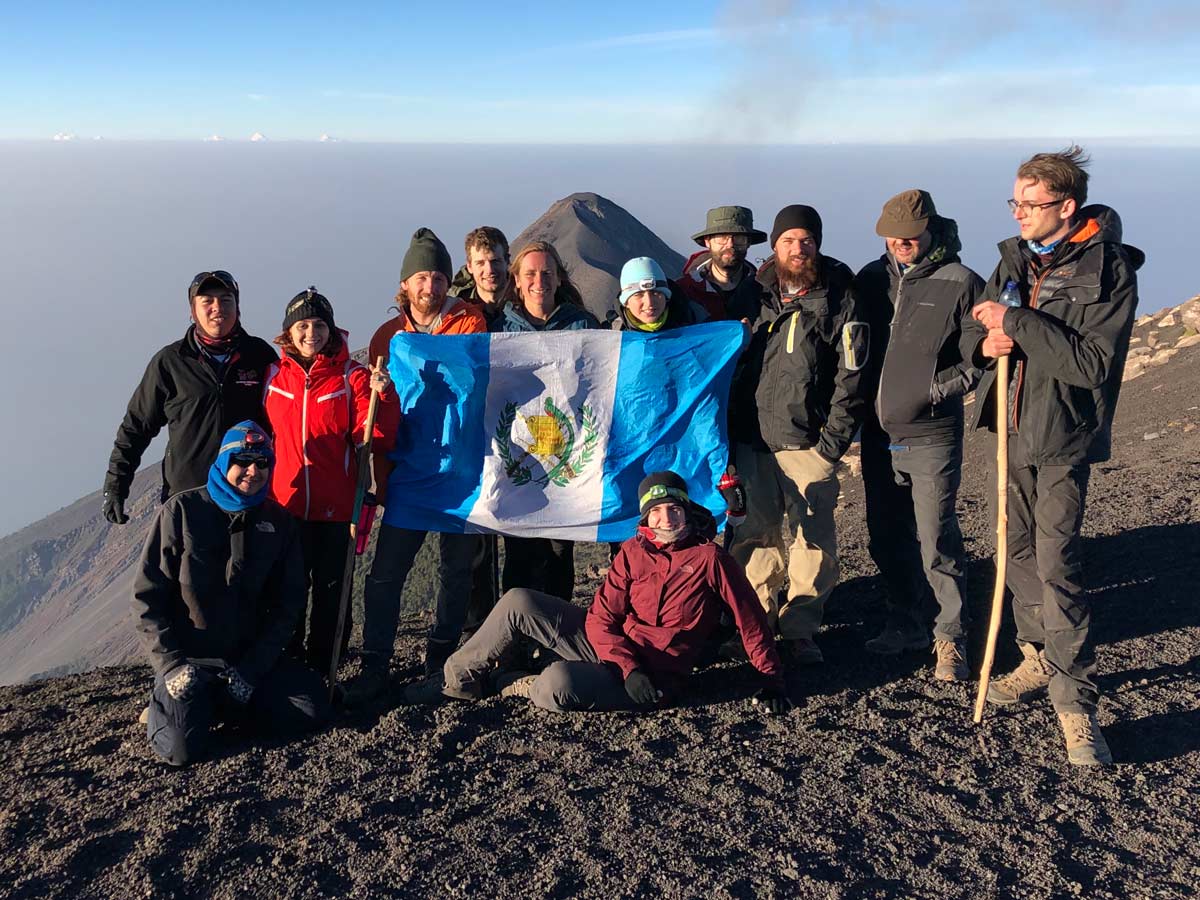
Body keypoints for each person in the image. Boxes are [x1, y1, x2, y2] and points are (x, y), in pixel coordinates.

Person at [964, 147, 1142, 766]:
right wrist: (986, 342)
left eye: (1029, 204)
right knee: (1013, 550)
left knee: (1056, 561)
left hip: (1062, 434)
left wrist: (1016, 320)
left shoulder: (1108, 269)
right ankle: (1035, 654)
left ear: (1065, 207)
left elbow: (1091, 365)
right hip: (1007, 427)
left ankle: (1076, 704)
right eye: (1013, 201)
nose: (1018, 214)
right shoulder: (1012, 256)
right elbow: (978, 327)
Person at [405, 471, 790, 715]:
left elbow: (750, 619)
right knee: (517, 601)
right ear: (646, 518)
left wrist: (771, 679)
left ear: (686, 512)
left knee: (558, 685)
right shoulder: (634, 551)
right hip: (620, 654)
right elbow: (601, 618)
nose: (666, 518)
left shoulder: (710, 560)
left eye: (674, 509)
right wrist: (628, 665)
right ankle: (454, 681)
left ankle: (516, 684)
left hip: (657, 676)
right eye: (656, 512)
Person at [132, 422, 330, 766]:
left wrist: (253, 668)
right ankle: (166, 709)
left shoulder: (278, 522)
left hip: (247, 660)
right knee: (180, 751)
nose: (253, 471)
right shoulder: (181, 512)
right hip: (189, 662)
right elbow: (147, 599)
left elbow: (289, 603)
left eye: (263, 462)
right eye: (243, 460)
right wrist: (171, 665)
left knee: (312, 709)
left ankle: (213, 708)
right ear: (225, 462)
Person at [349, 228, 489, 701]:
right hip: (407, 473)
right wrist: (378, 392)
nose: (430, 287)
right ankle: (375, 663)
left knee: (456, 570)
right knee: (387, 571)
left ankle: (441, 654)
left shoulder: (470, 322)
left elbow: (475, 376)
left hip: (459, 473)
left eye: (438, 277)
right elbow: (378, 409)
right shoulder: (387, 337)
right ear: (405, 285)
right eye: (421, 277)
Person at [727, 205, 869, 665]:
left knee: (813, 539)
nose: (798, 248)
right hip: (754, 440)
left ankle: (801, 629)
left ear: (818, 243)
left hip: (808, 442)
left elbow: (853, 377)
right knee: (754, 535)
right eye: (788, 240)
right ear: (774, 245)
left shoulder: (840, 298)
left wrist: (832, 444)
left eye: (806, 240)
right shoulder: (756, 292)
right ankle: (758, 623)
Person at [855, 190, 983, 681]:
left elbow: (977, 358)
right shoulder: (870, 279)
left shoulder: (961, 282)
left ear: (930, 229)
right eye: (892, 234)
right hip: (877, 433)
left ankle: (951, 636)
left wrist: (933, 392)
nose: (901, 242)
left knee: (936, 536)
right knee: (887, 536)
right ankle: (906, 619)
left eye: (910, 234)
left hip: (931, 433)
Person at [263, 287, 399, 675]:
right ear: (288, 332)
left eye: (319, 324)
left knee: (331, 595)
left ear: (332, 328)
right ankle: (285, 670)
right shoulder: (273, 376)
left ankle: (324, 672)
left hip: (336, 510)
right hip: (284, 507)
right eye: (302, 325)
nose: (311, 333)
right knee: (287, 594)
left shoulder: (351, 377)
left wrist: (382, 399)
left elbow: (372, 437)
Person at [103, 270, 276, 522]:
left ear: (237, 307)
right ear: (192, 310)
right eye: (207, 301)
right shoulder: (170, 362)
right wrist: (116, 486)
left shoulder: (260, 355)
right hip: (188, 499)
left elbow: (285, 420)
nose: (218, 307)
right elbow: (136, 427)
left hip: (248, 497)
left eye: (226, 300)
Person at [490, 240, 599, 610]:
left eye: (547, 273)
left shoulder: (581, 324)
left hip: (567, 462)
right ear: (517, 281)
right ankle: (517, 637)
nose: (540, 281)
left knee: (559, 554)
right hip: (517, 462)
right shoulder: (499, 327)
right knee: (519, 552)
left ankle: (557, 635)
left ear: (559, 278)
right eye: (531, 274)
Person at [677, 206, 767, 322]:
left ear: (748, 242)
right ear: (707, 241)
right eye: (722, 237)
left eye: (739, 238)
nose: (730, 244)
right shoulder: (682, 292)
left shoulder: (765, 292)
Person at [610, 257, 708, 332]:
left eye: (655, 293)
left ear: (666, 296)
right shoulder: (612, 337)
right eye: (638, 294)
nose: (649, 302)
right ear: (626, 302)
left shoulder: (697, 324)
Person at [449, 225, 513, 328]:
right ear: (469, 266)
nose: (489, 270)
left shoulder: (528, 302)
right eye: (480, 263)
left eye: (495, 261)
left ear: (507, 261)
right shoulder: (455, 309)